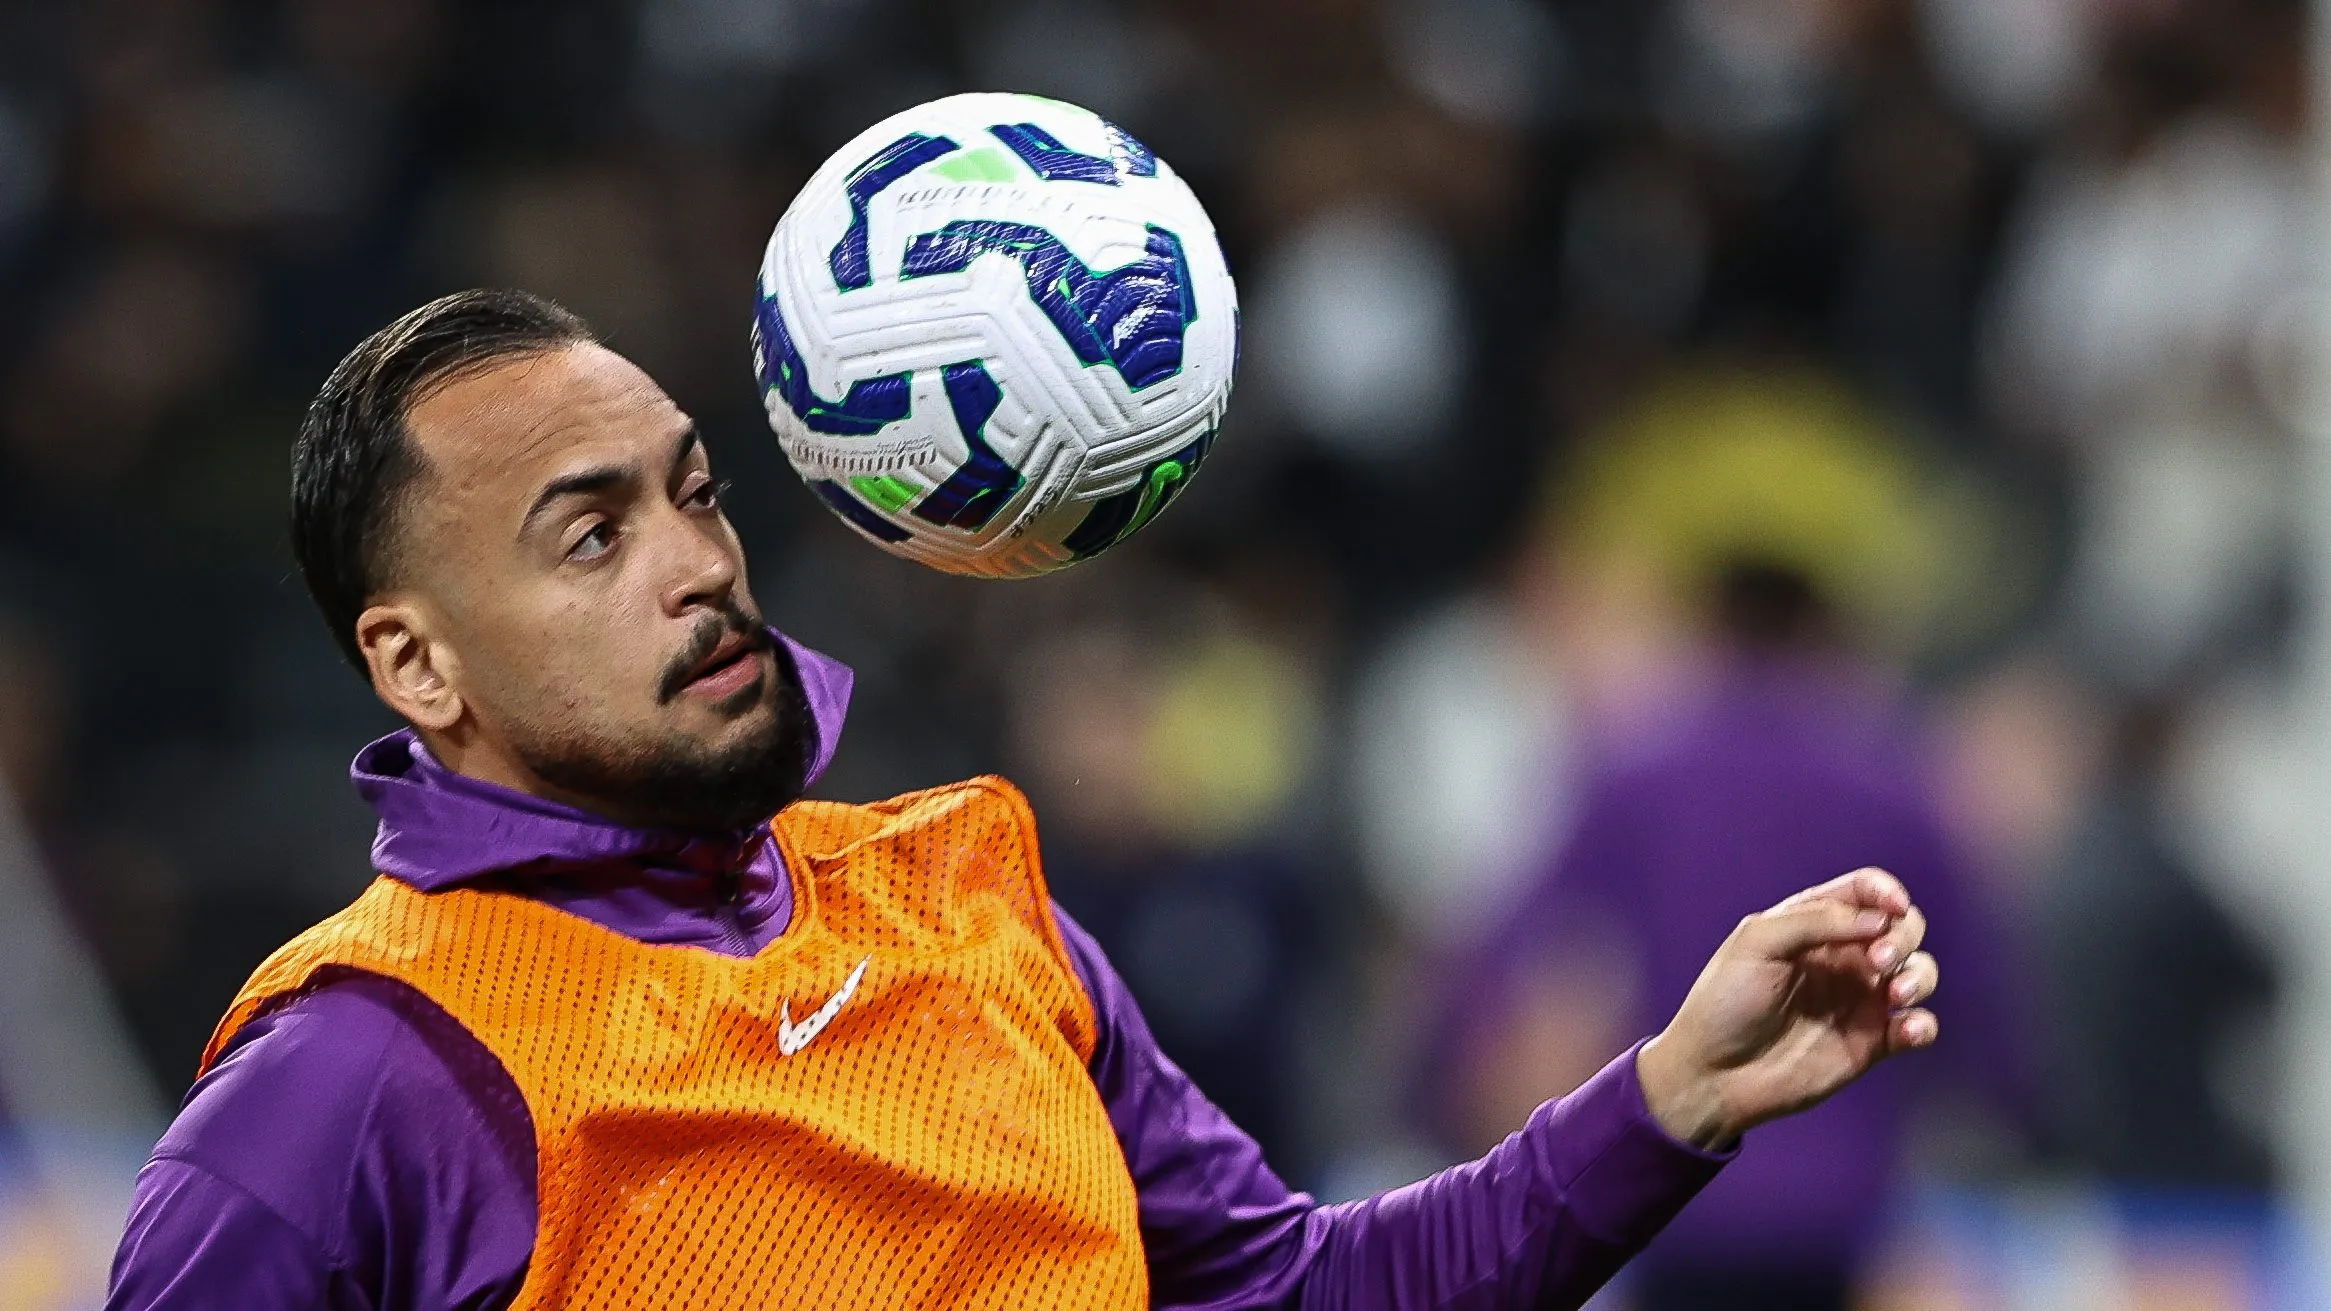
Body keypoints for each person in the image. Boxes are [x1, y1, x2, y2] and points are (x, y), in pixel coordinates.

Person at [105, 290, 1942, 1311]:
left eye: (695, 492)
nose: (696, 564)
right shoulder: (350, 1088)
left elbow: (1295, 1302)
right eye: (590, 535)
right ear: (416, 665)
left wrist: (1668, 1100)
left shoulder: (966, 909)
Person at [1437, 560, 2020, 1311]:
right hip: (1835, 1209)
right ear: (1822, 629)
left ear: (1710, 627)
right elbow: (1982, 998)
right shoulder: (1890, 779)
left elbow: (1502, 941)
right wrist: (2020, 1124)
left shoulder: (1635, 773)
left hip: (1680, 1186)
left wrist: (1429, 1095)